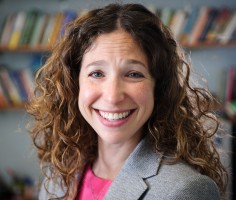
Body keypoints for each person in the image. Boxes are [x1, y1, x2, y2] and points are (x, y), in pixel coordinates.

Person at [27, 3, 228, 200]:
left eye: (133, 74)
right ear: (74, 84)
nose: (113, 96)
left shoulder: (186, 190)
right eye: (96, 73)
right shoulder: (59, 173)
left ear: (158, 88)